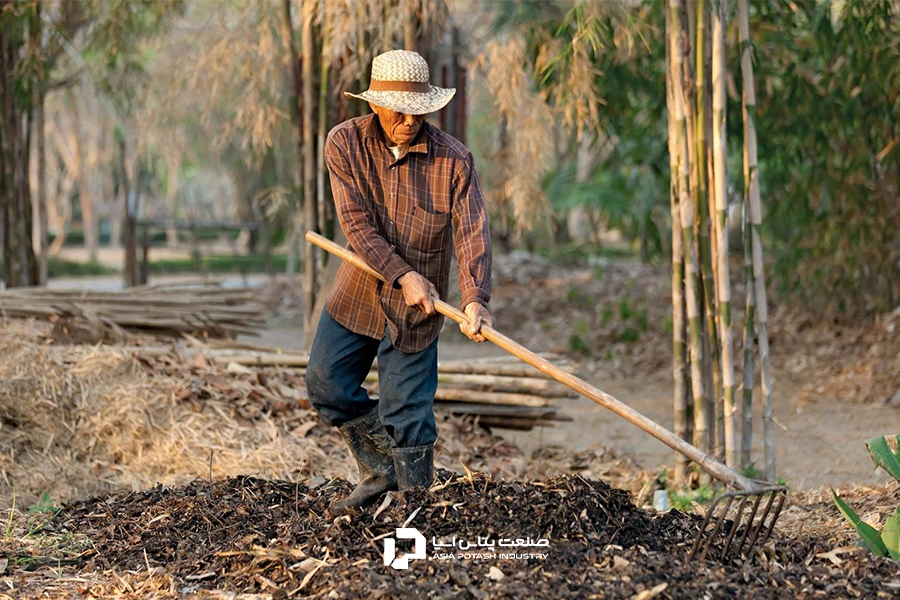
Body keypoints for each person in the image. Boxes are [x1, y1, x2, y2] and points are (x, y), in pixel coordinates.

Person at [304, 49, 493, 513]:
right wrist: (402, 274)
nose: (410, 122)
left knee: (407, 414)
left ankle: (415, 509)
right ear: (375, 104)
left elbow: (472, 232)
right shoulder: (343, 143)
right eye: (399, 111)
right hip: (359, 292)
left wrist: (475, 298)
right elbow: (356, 224)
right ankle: (381, 471)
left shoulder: (454, 160)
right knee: (326, 383)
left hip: (416, 309)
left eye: (419, 112)